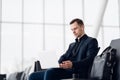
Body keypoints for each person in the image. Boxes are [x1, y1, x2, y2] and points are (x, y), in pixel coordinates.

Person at [29, 18, 99, 80]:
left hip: (78, 72)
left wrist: (72, 64)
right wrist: (58, 64)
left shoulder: (91, 41)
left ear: (82, 27)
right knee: (33, 76)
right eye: (72, 30)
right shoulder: (72, 45)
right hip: (68, 70)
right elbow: (64, 56)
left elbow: (90, 59)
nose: (73, 32)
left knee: (50, 72)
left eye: (75, 29)